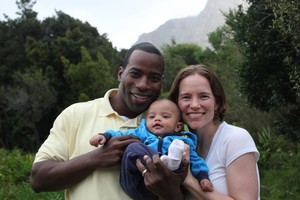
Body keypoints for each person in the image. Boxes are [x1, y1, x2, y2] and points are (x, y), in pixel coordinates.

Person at [29, 42, 188, 200]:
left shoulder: (169, 125)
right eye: (135, 74)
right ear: (120, 73)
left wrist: (170, 191)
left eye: (153, 78)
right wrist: (96, 158)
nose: (143, 85)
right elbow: (38, 179)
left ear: (162, 81)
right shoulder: (75, 114)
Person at [137, 64, 260, 200]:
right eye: (186, 97)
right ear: (176, 104)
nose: (195, 105)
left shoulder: (235, 139)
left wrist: (188, 179)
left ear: (217, 103)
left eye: (203, 96)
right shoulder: (172, 144)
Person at [89, 99, 213, 200]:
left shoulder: (182, 142)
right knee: (134, 148)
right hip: (137, 181)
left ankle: (170, 164)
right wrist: (105, 136)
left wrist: (203, 177)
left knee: (180, 150)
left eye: (165, 116)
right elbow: (120, 134)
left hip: (166, 187)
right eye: (152, 116)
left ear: (178, 126)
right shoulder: (142, 133)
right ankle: (165, 164)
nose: (157, 119)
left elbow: (196, 160)